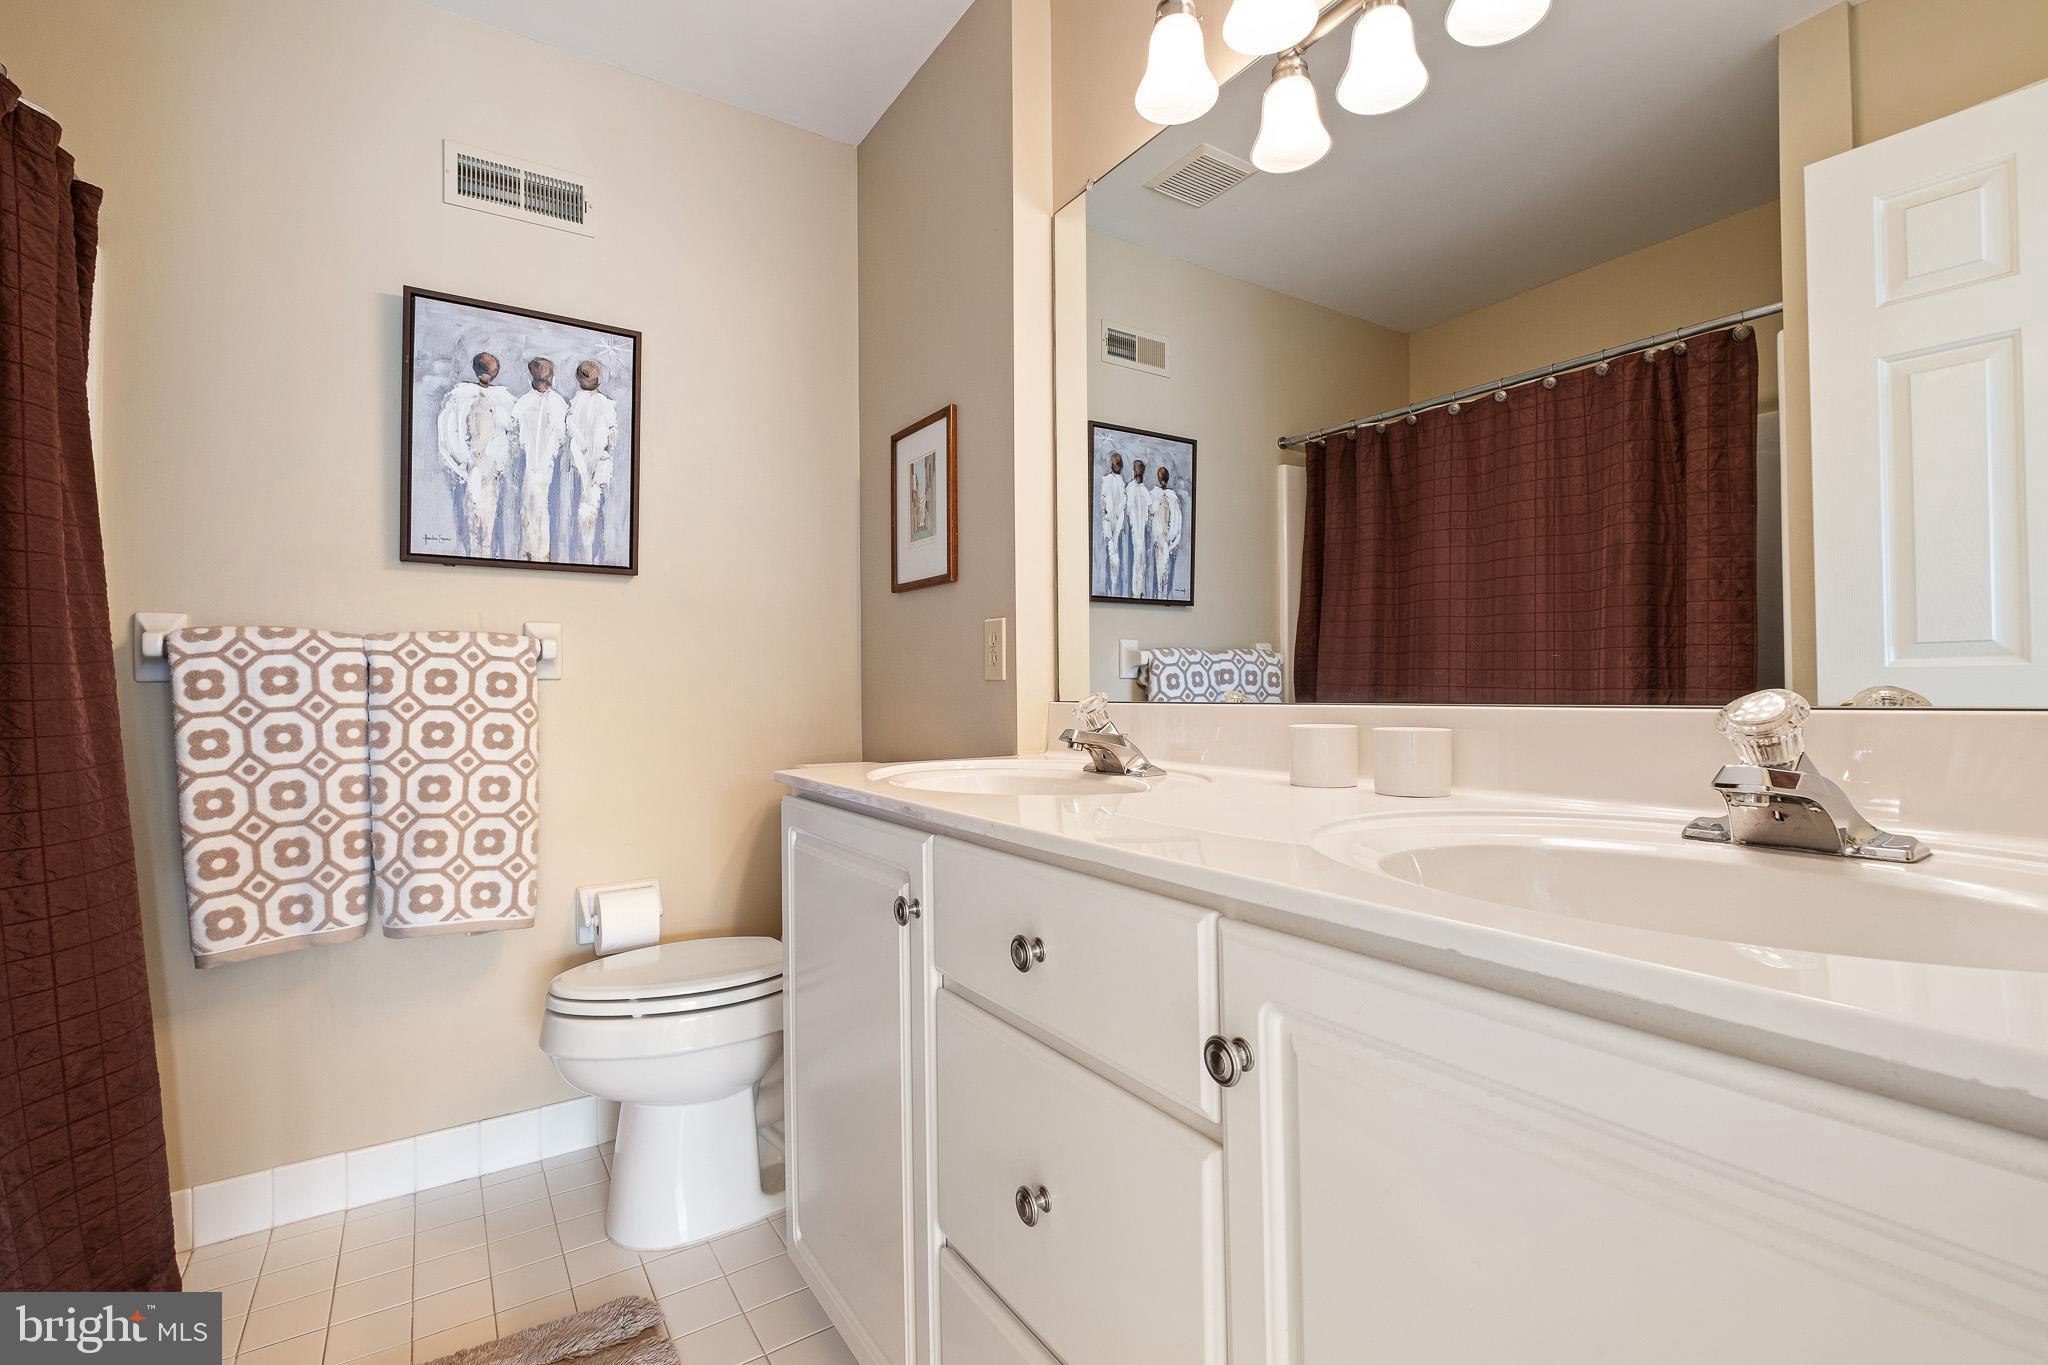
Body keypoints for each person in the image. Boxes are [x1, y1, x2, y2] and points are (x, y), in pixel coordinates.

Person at [435, 351, 516, 556]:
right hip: (472, 466)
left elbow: (508, 431)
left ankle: (484, 554)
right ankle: (475, 555)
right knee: (473, 514)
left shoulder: (502, 399)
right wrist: (461, 463)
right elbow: (451, 432)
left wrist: (499, 462)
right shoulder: (462, 396)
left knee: (488, 514)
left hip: (491, 467)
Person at [512, 357, 568, 561]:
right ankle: (538, 554)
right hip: (545, 464)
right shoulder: (559, 403)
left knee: (532, 506)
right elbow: (562, 437)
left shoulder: (523, 402)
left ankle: (536, 553)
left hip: (536, 465)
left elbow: (515, 436)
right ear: (551, 377)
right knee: (538, 506)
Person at [567, 359, 620, 563]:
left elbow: (570, 431)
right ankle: (590, 557)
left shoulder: (575, 403)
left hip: (582, 463)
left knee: (583, 508)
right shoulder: (605, 404)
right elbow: (612, 437)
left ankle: (585, 556)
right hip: (597, 464)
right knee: (593, 508)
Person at [1151, 465, 1184, 597]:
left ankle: (1163, 596)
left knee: (1165, 570)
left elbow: (1176, 520)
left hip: (1165, 539)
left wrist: (1171, 540)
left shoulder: (1171, 497)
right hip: (1159, 539)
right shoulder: (1155, 495)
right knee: (1159, 570)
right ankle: (1160, 595)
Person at [1098, 450, 1128, 595]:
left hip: (1114, 521)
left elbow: (1104, 503)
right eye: (1118, 464)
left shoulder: (1118, 481)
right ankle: (1112, 588)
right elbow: (1105, 503)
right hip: (1111, 521)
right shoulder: (1111, 480)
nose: (1118, 467)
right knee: (1113, 553)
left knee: (1113, 553)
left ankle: (1113, 588)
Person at [1125, 457, 1154, 599]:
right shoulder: (1129, 487)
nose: (1138, 470)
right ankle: (1135, 592)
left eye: (1140, 468)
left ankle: (1139, 591)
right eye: (1137, 468)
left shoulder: (1145, 490)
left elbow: (1150, 510)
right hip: (1131, 530)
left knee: (1141, 559)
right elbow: (1126, 509)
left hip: (1142, 531)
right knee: (1135, 559)